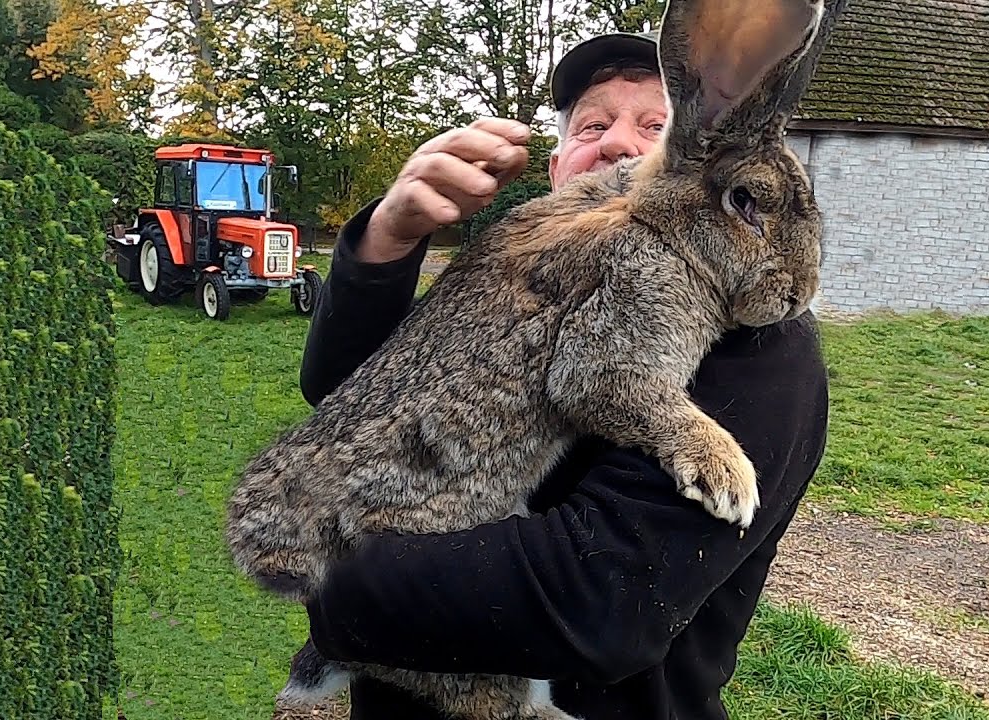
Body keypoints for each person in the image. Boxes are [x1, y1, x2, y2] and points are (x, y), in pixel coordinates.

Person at [296, 29, 830, 720]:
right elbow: (350, 398)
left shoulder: (763, 346)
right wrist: (385, 244)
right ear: (557, 170)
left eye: (657, 126)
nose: (616, 142)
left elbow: (602, 600)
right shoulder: (524, 270)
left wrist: (341, 579)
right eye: (594, 124)